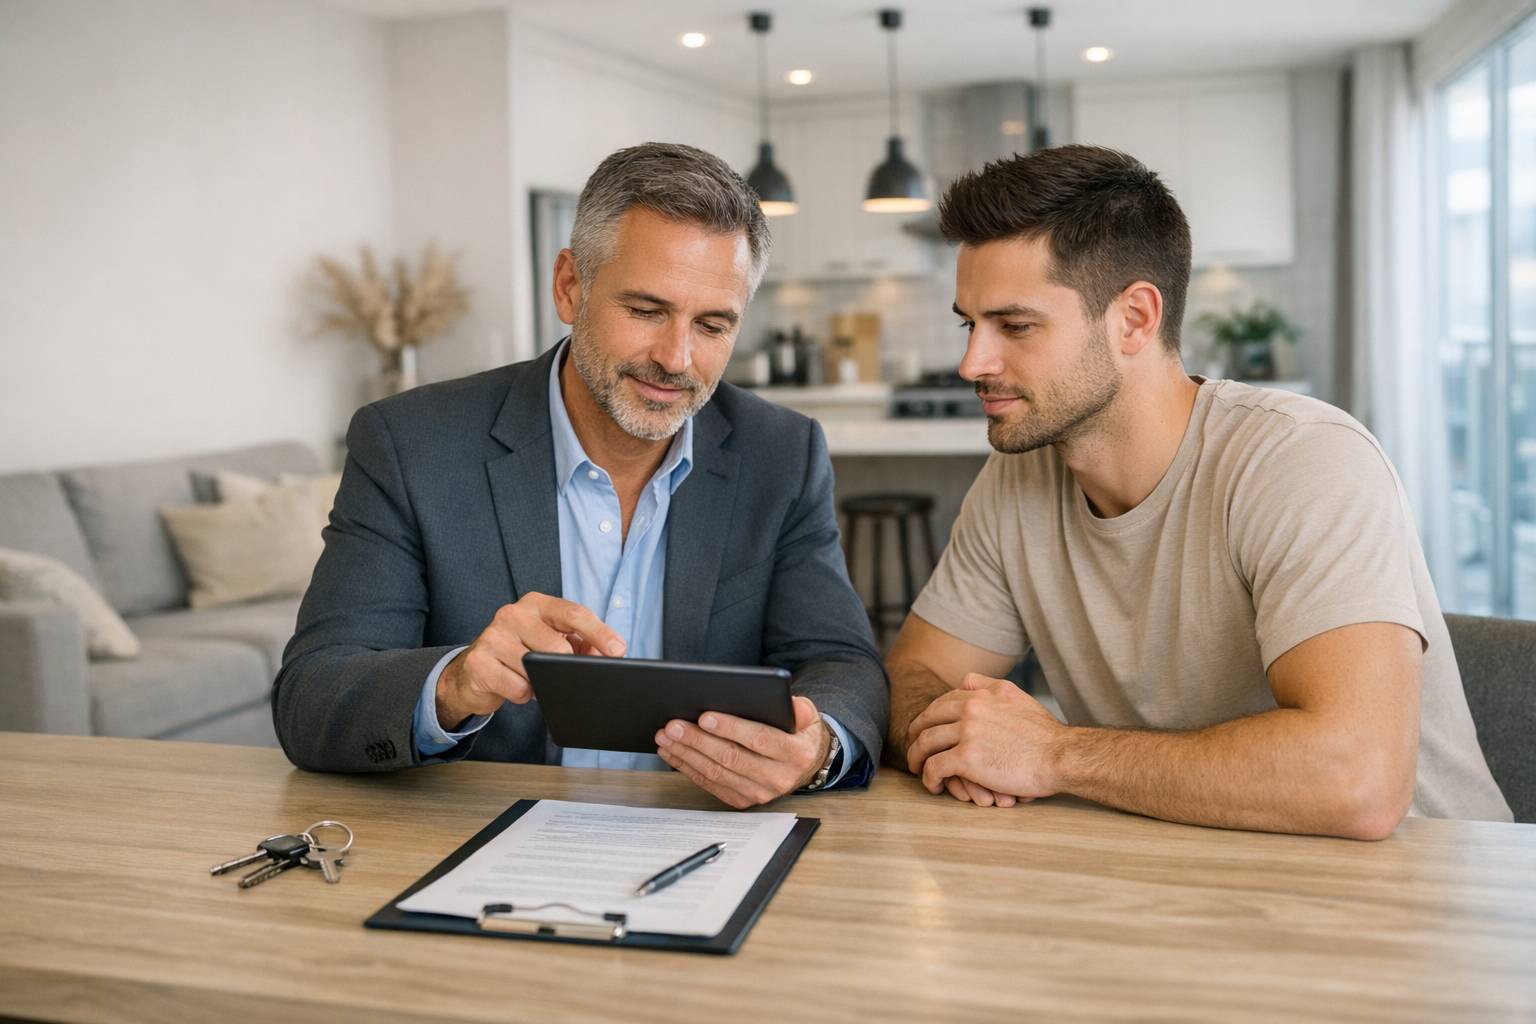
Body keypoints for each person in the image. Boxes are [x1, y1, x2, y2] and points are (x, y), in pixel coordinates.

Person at [887, 144, 1512, 837]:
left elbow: (1356, 780)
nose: (973, 361)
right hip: (1192, 869)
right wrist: (957, 737)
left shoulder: (1300, 459)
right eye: (968, 324)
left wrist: (1055, 753)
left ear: (1134, 320)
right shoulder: (1017, 481)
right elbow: (914, 672)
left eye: (1015, 325)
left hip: (1418, 893)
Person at [274, 142, 886, 807]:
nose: (676, 358)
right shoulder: (411, 445)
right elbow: (312, 699)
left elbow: (843, 664)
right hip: (481, 840)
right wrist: (452, 685)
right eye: (646, 311)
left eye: (712, 325)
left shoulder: (782, 454)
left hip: (710, 835)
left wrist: (814, 746)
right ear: (571, 286)